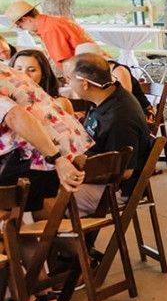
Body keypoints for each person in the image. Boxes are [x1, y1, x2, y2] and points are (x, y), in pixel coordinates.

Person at [65, 54, 153, 214]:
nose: (67, 84)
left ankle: (66, 239)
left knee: (47, 198)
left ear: (84, 83)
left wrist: (75, 174)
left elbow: (125, 172)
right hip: (95, 174)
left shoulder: (120, 117)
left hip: (116, 189)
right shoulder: (106, 99)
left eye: (68, 78)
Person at [0, 62, 89, 214]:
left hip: (44, 153)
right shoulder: (5, 69)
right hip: (63, 147)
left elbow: (16, 116)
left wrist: (57, 159)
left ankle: (16, 235)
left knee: (6, 197)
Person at [4, 0, 94, 67]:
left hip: (88, 67)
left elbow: (65, 61)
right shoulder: (52, 21)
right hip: (91, 62)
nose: (24, 29)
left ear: (26, 20)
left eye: (20, 26)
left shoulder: (49, 29)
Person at [11, 49, 73, 115]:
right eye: (19, 69)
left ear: (43, 74)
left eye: (32, 70)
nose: (24, 74)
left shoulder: (59, 103)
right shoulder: (6, 102)